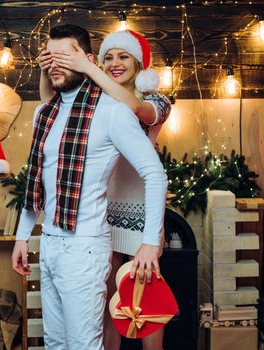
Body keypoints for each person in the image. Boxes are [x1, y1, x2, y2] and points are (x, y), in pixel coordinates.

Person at [11, 24, 168, 350]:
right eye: (49, 58)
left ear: (86, 60)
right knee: (55, 342)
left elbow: (155, 174)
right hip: (50, 245)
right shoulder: (45, 113)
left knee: (84, 344)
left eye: (64, 57)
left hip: (83, 248)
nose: (55, 64)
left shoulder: (113, 112)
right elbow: (39, 178)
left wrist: (151, 242)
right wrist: (22, 236)